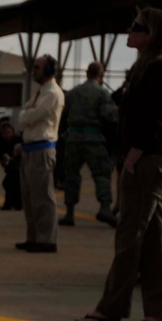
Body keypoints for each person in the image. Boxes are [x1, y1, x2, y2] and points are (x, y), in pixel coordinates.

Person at [74, 7, 162, 321]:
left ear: (152, 34)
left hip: (149, 158)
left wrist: (132, 157)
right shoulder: (148, 65)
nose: (129, 32)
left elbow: (153, 117)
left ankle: (110, 310)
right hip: (151, 157)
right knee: (152, 241)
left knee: (129, 239)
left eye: (136, 27)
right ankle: (159, 314)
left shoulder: (161, 67)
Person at [15, 54, 65, 253]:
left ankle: (47, 239)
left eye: (37, 67)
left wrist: (26, 115)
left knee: (43, 196)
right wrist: (26, 116)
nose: (33, 70)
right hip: (30, 148)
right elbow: (24, 115)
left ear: (49, 70)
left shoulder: (52, 92)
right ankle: (34, 237)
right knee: (29, 197)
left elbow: (32, 115)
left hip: (42, 147)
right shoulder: (40, 92)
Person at [59, 61, 118, 228]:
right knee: (101, 174)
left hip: (73, 138)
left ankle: (69, 213)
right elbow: (110, 115)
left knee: (71, 175)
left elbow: (64, 115)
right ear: (101, 75)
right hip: (93, 139)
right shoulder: (102, 93)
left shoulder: (73, 93)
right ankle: (105, 208)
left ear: (86, 73)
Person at [0, 119, 23, 210]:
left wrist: (12, 158)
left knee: (11, 184)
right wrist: (5, 160)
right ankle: (15, 203)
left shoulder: (18, 140)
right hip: (10, 167)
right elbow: (1, 160)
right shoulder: (2, 143)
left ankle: (12, 203)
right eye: (4, 133)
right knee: (9, 184)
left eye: (8, 132)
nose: (7, 135)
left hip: (18, 166)